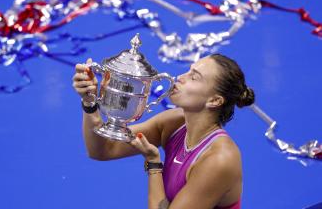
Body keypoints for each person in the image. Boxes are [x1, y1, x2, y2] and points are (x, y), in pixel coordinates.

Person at [72, 54, 255, 209]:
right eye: (188, 70)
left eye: (194, 77)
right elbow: (103, 149)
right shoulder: (174, 123)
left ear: (215, 101)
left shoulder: (220, 160)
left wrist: (153, 164)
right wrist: (89, 103)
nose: (180, 77)